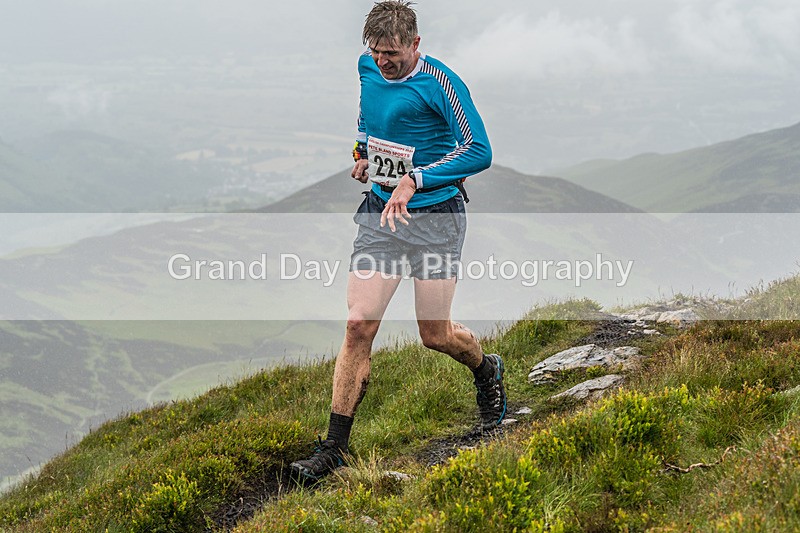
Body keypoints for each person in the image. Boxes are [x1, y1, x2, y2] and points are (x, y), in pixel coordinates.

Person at [290, 0, 505, 482]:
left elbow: (480, 150)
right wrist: (361, 155)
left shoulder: (441, 83)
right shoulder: (367, 67)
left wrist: (418, 179)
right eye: (376, 51)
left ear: (415, 45)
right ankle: (334, 448)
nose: (383, 61)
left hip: (437, 216)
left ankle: (486, 368)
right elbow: (367, 124)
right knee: (357, 325)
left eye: (392, 53)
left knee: (435, 335)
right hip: (381, 213)